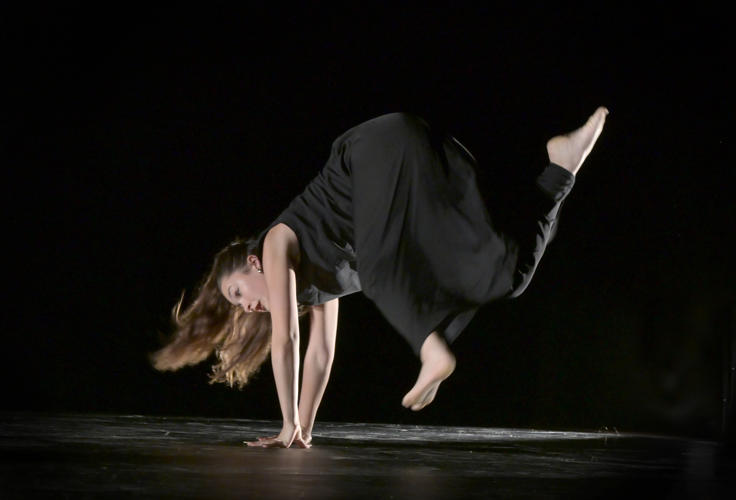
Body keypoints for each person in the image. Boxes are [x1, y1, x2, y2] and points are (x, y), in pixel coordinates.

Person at [151, 107, 609, 448]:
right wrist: (303, 430)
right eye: (239, 306)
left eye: (237, 293)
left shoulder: (273, 244)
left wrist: (285, 423)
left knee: (377, 267)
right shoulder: (316, 283)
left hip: (374, 150)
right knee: (503, 278)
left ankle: (431, 351)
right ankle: (561, 170)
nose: (248, 306)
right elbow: (320, 353)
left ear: (252, 264)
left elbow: (288, 339)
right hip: (411, 160)